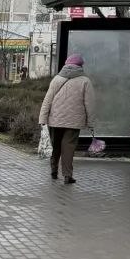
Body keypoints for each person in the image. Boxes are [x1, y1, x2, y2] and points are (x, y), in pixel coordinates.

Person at [37, 54, 96, 184]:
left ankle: (53, 170)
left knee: (56, 145)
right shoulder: (85, 81)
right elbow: (89, 104)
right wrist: (91, 123)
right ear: (80, 66)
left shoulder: (57, 79)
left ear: (66, 64)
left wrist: (42, 119)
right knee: (68, 148)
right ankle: (67, 175)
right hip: (74, 122)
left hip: (55, 120)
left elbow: (47, 100)